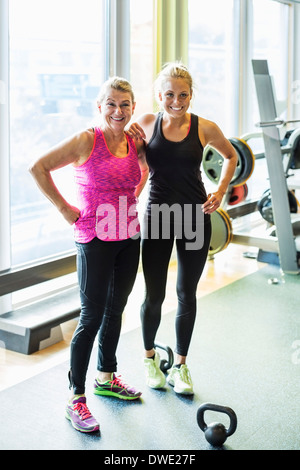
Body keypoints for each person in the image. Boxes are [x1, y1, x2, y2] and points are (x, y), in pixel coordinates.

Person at [29, 76, 148, 433]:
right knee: (91, 317)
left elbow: (139, 175)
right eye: (111, 103)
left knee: (116, 310)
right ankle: (75, 398)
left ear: (133, 108)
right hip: (94, 238)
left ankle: (106, 377)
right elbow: (39, 167)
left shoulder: (131, 140)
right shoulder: (87, 140)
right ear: (100, 107)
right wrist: (65, 209)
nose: (118, 110)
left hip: (128, 235)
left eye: (124, 104)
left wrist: (138, 172)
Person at [127, 62, 237, 395]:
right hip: (158, 215)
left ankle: (181, 366)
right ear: (159, 95)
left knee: (186, 294)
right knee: (154, 294)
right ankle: (149, 359)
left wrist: (220, 192)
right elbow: (125, 153)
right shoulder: (145, 123)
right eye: (170, 95)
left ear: (191, 95)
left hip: (194, 217)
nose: (177, 101)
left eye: (183, 95)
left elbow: (231, 156)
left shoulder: (204, 127)